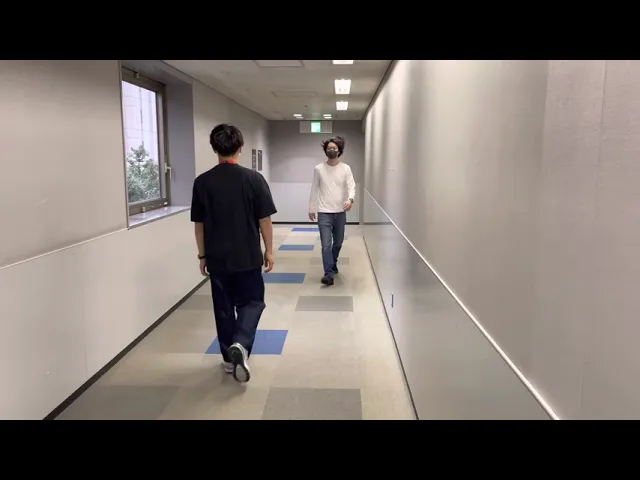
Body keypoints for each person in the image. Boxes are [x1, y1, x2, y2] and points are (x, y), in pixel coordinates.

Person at [191, 123, 277, 384]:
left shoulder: (202, 182)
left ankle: (229, 359)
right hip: (247, 256)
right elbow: (264, 220)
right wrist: (269, 251)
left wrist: (202, 256)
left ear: (214, 148)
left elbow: (199, 225)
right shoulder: (253, 179)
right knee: (253, 302)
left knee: (223, 308)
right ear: (240, 147)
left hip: (217, 258)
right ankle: (241, 342)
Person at [308, 136, 356, 286]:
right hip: (324, 212)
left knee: (338, 243)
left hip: (340, 212)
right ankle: (328, 273)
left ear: (339, 150)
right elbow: (314, 189)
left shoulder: (345, 169)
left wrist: (350, 199)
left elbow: (351, 186)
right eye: (329, 148)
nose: (332, 150)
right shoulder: (319, 169)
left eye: (334, 148)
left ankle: (333, 263)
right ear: (325, 150)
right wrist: (312, 208)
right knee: (326, 245)